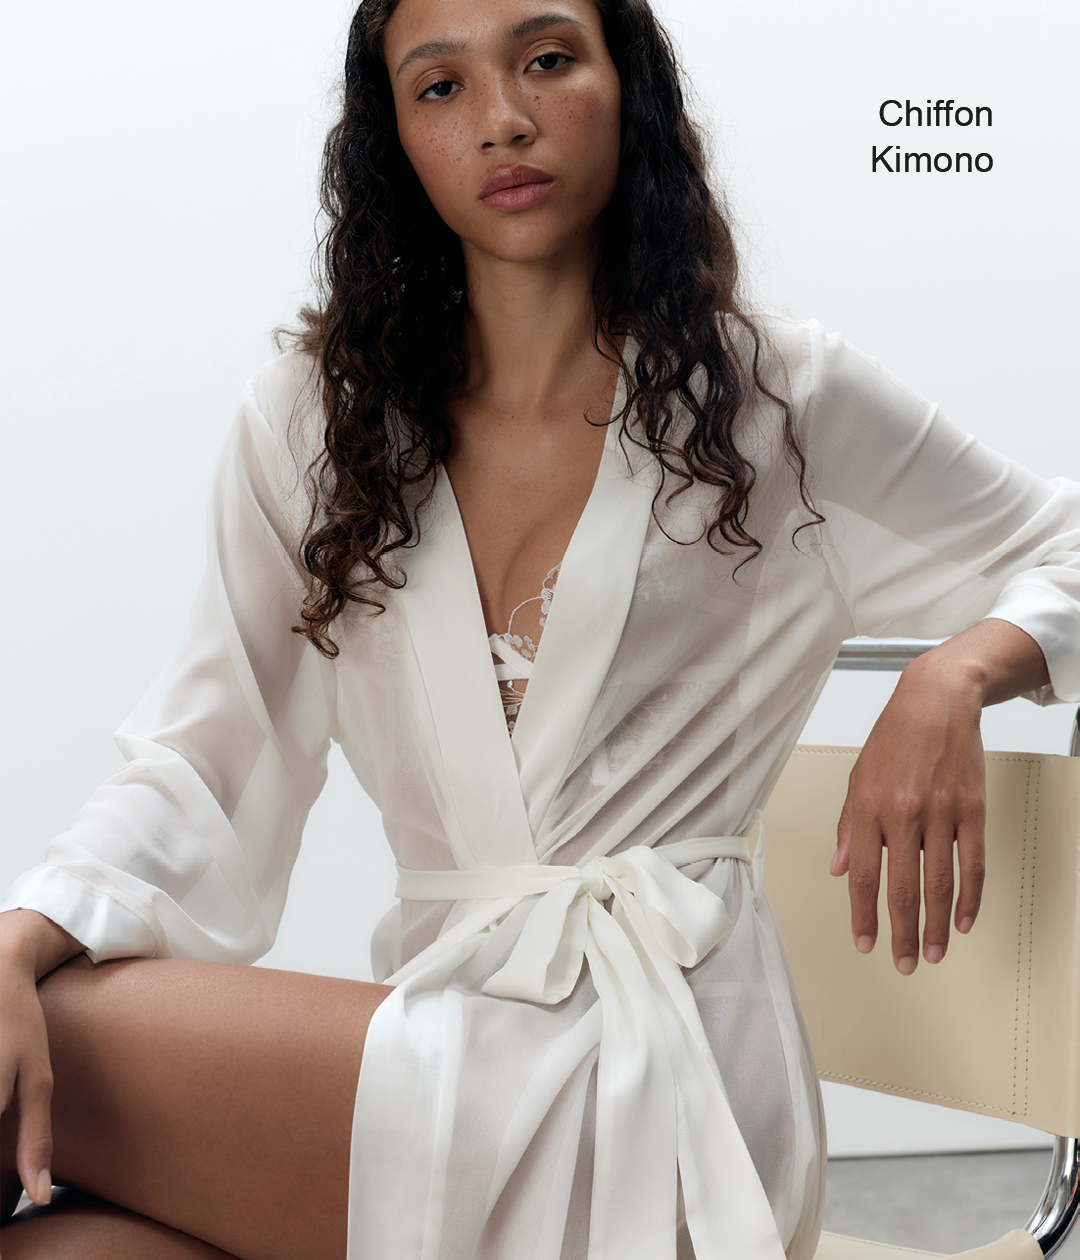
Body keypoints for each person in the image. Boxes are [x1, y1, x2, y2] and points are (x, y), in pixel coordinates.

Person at [1, 0, 1078, 1256]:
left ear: (630, 87)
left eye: (548, 60)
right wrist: (23, 937)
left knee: (50, 1048)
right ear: (394, 139)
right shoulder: (312, 428)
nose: (502, 120)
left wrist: (958, 673)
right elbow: (203, 758)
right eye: (440, 87)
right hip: (440, 1032)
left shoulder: (774, 398)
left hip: (674, 1085)